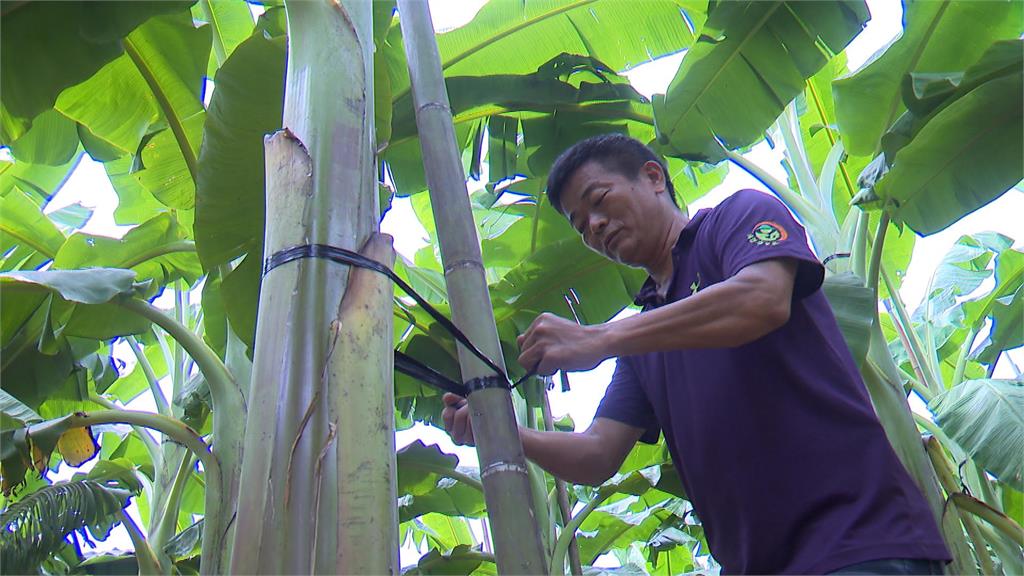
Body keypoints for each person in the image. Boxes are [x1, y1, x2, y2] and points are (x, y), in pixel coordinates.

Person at [441, 134, 952, 575]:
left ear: (653, 177)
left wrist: (599, 338)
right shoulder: (644, 335)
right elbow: (597, 453)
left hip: (860, 542)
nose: (593, 226)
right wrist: (497, 429)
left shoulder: (735, 219)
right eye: (580, 225)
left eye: (599, 200)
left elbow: (762, 297)